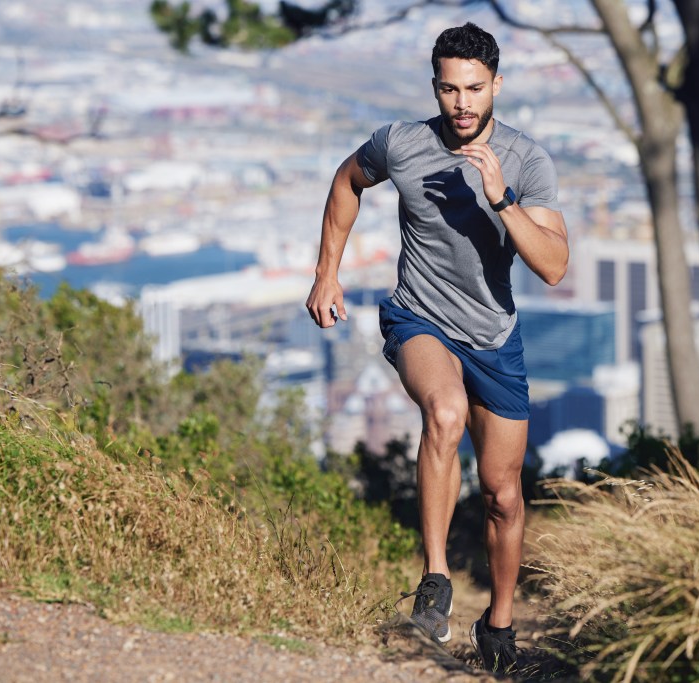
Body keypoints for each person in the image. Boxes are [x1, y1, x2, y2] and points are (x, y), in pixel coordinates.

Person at [305, 22, 568, 675]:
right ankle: (435, 579)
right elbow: (347, 181)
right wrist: (326, 272)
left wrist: (501, 197)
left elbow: (555, 265)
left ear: (496, 85)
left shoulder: (527, 160)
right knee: (444, 413)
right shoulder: (403, 142)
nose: (462, 103)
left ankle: (499, 622)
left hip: (495, 336)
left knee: (503, 492)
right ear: (435, 87)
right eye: (450, 88)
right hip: (418, 317)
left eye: (474, 88)